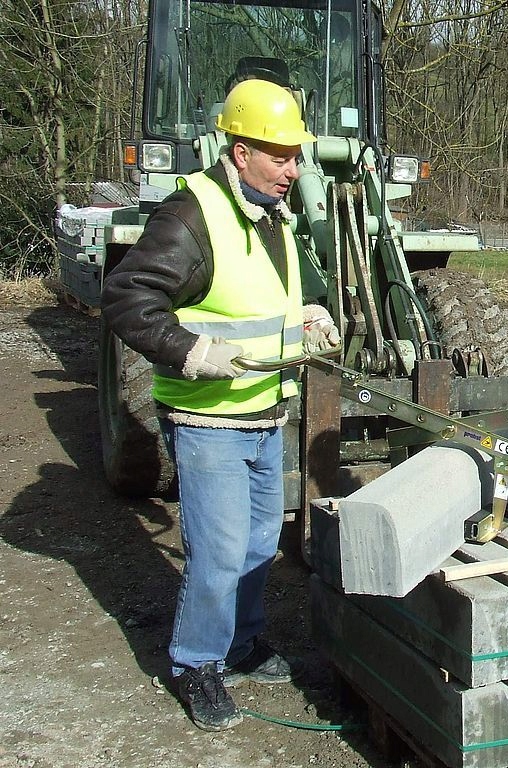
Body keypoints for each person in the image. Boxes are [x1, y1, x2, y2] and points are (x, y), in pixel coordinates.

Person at [100, 78, 339, 731]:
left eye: (296, 155)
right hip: (211, 422)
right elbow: (126, 299)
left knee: (262, 540)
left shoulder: (272, 214)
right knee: (220, 551)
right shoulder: (192, 214)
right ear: (240, 153)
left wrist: (310, 316)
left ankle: (241, 641)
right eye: (280, 155)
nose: (294, 168)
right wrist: (189, 351)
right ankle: (195, 663)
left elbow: (269, 299)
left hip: (264, 415)